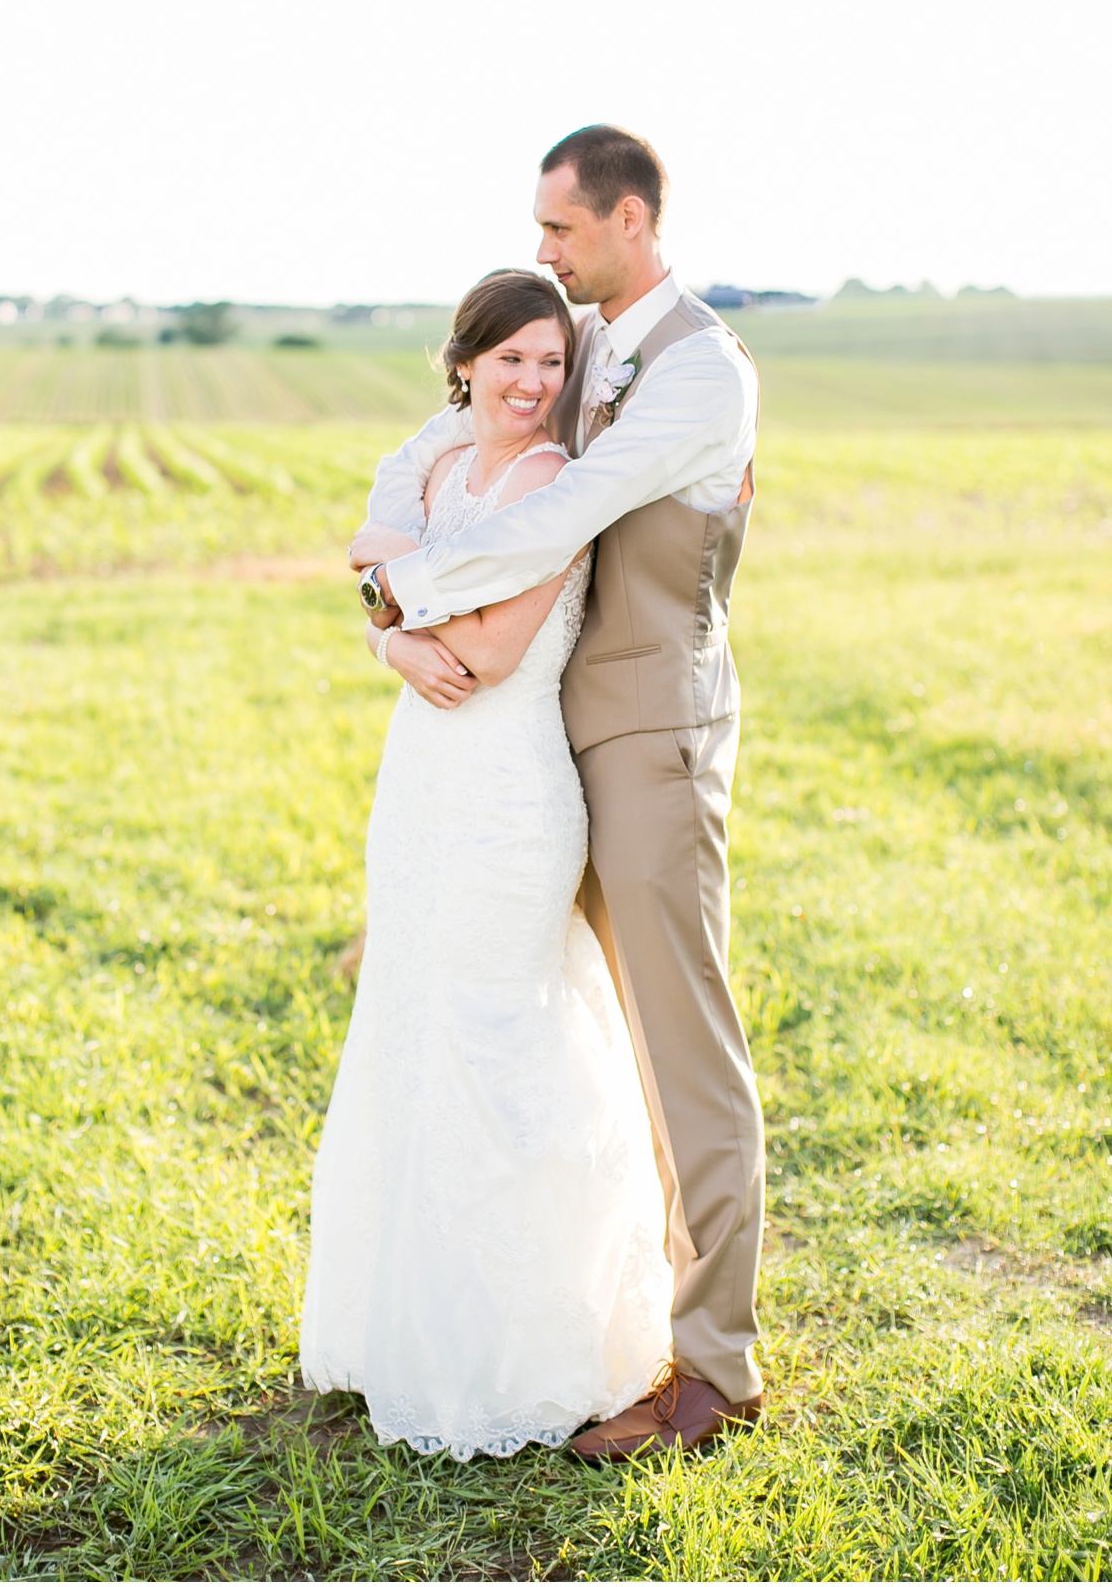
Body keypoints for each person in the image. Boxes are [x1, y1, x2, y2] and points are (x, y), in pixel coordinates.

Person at [349, 126, 765, 1459]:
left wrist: (402, 591)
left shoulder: (698, 371)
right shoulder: (583, 349)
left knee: (681, 1044)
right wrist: (376, 603)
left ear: (629, 220)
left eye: (559, 230)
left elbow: (552, 514)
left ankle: (713, 1368)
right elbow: (431, 443)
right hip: (540, 749)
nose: (540, 252)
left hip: (646, 736)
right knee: (574, 1035)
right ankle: (605, 1312)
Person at [299, 267, 674, 1461]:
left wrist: (394, 624)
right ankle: (407, 1324)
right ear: (464, 361)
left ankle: (538, 1340)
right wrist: (393, 637)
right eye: (510, 358)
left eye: (552, 363)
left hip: (511, 792)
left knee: (501, 1029)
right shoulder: (430, 462)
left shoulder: (550, 480)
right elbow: (374, 567)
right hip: (418, 788)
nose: (531, 382)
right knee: (411, 1021)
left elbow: (501, 649)